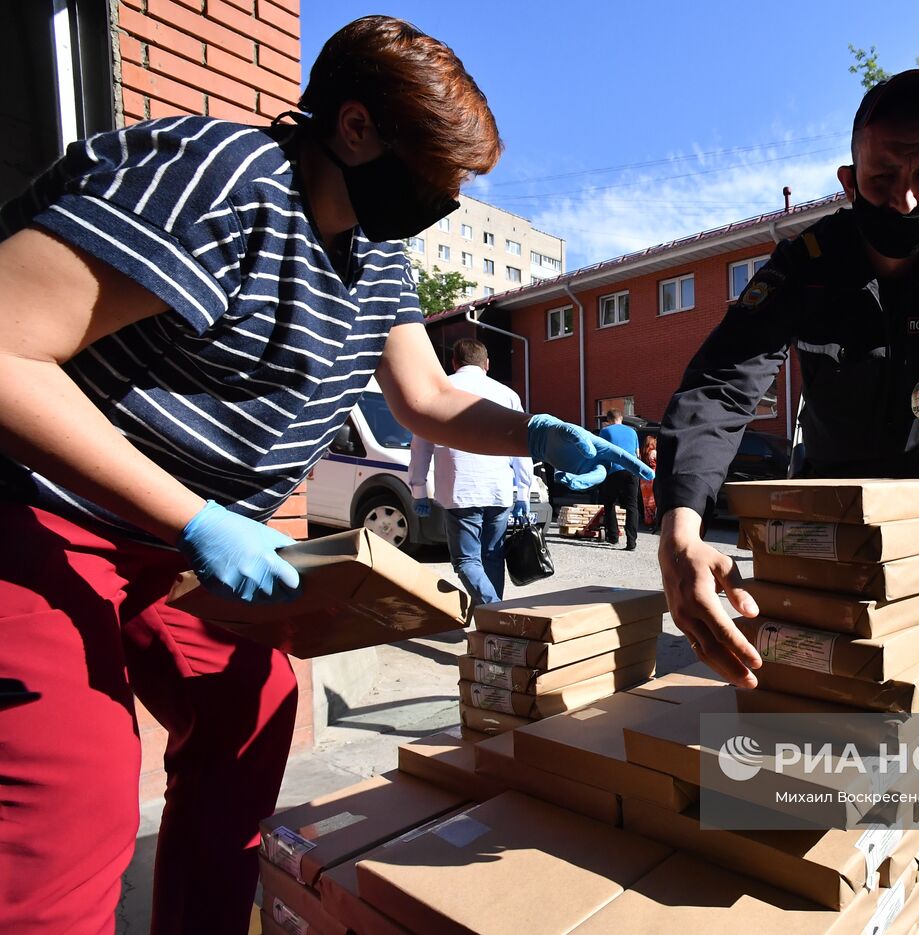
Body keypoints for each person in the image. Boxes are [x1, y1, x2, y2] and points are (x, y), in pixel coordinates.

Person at [0, 16, 648, 935]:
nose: (451, 198)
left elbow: (424, 395)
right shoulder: (219, 181)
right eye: (441, 172)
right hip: (39, 512)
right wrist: (200, 520)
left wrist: (538, 432)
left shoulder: (377, 257)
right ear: (354, 128)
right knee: (69, 797)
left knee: (251, 714)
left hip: (168, 544)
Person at [654, 69, 919, 687]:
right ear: (849, 182)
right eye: (881, 179)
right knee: (799, 686)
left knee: (911, 703)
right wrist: (679, 527)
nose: (904, 200)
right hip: (816, 518)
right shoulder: (805, 265)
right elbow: (724, 380)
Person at [409, 338, 533, 605]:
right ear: (487, 364)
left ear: (453, 363)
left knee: (466, 560)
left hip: (460, 489)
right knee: (492, 557)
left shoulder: (439, 392)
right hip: (499, 490)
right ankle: (494, 622)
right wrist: (524, 491)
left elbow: (421, 445)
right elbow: (522, 445)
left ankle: (495, 611)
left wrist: (418, 489)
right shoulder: (506, 394)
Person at [597, 409, 641, 550]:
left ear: (609, 420)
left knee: (609, 504)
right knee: (632, 506)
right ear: (621, 418)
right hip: (632, 471)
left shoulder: (605, 431)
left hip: (614, 470)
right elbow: (637, 454)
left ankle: (613, 537)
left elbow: (600, 452)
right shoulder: (633, 432)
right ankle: (631, 543)